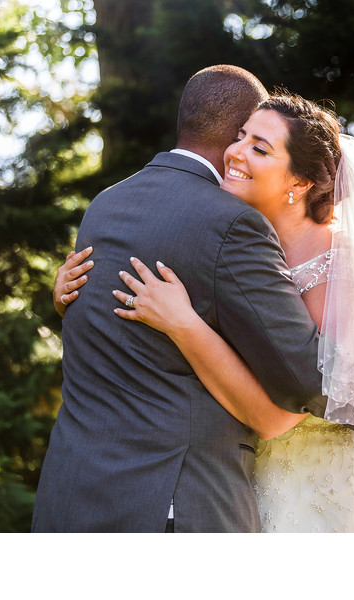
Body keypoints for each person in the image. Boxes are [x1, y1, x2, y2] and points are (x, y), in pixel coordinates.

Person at [55, 93, 354, 532]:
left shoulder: (341, 267)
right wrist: (73, 294)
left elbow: (277, 416)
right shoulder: (245, 247)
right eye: (240, 136)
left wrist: (182, 323)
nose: (236, 152)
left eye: (260, 148)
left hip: (315, 492)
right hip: (249, 485)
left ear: (297, 183)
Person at [32, 66, 327, 532]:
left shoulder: (106, 203)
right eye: (250, 135)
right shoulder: (230, 222)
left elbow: (111, 333)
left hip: (71, 494)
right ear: (237, 133)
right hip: (169, 503)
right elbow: (308, 378)